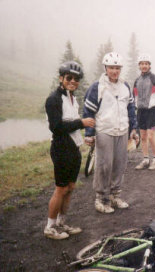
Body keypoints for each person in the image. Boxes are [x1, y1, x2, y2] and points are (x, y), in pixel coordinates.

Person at [44, 61, 95, 239]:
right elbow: (56, 127)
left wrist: (84, 136)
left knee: (71, 187)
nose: (73, 81)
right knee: (61, 189)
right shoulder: (53, 99)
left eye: (76, 79)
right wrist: (82, 123)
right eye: (69, 78)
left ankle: (62, 223)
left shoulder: (72, 98)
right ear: (61, 78)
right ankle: (50, 227)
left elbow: (71, 124)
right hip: (60, 147)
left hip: (73, 147)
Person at [83, 52, 138, 214]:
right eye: (111, 68)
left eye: (117, 68)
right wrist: (89, 133)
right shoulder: (97, 87)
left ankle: (115, 196)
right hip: (104, 131)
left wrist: (133, 129)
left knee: (120, 165)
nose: (115, 71)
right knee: (104, 165)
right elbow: (88, 111)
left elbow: (131, 109)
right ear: (105, 68)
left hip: (122, 130)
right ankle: (101, 198)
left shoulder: (125, 86)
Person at [133, 54, 155, 170]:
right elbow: (134, 97)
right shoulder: (137, 80)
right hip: (141, 111)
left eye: (146, 64)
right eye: (142, 64)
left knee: (151, 135)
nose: (144, 66)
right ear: (139, 66)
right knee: (142, 136)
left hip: (153, 110)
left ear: (149, 65)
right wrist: (133, 109)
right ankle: (146, 159)